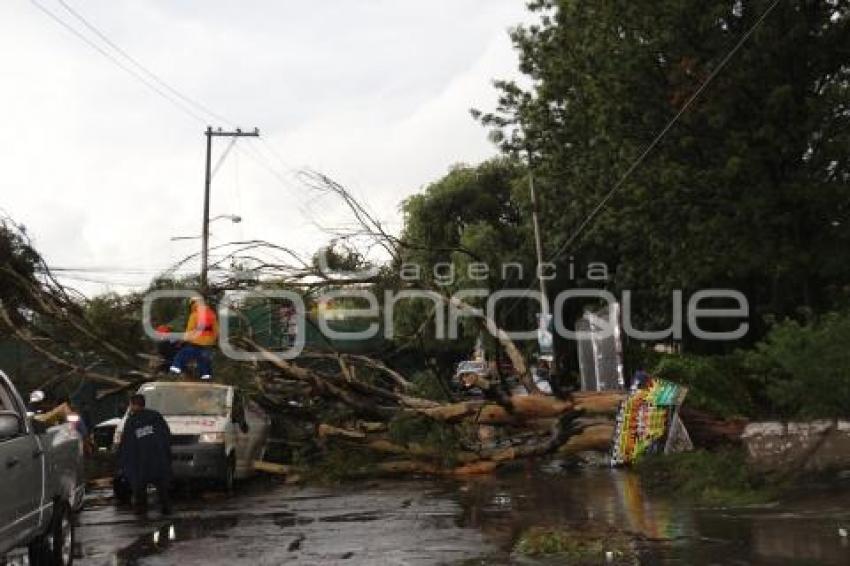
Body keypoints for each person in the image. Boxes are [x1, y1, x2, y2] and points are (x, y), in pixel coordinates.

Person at [118, 394, 173, 515]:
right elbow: (166, 435)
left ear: (132, 404)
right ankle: (166, 509)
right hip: (158, 459)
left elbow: (127, 444)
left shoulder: (131, 421)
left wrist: (124, 462)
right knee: (162, 486)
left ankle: (142, 512)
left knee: (139, 487)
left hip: (141, 461)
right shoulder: (156, 416)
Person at [170, 297, 219, 380]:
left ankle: (175, 370)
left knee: (181, 355)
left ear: (192, 304)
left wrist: (182, 341)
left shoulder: (194, 315)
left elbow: (190, 331)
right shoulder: (212, 315)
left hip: (196, 343)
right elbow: (216, 331)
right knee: (203, 361)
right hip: (208, 344)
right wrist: (212, 341)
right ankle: (206, 377)